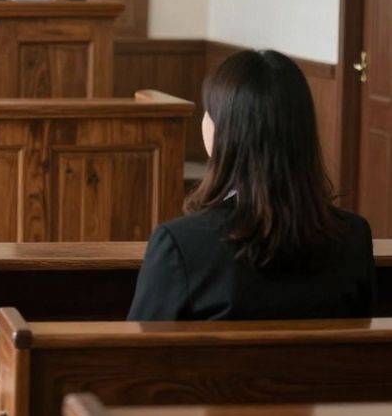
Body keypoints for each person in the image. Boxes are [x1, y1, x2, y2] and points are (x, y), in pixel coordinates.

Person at [128, 49, 374, 321]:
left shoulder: (180, 245)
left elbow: (139, 346)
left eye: (209, 111)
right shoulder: (355, 238)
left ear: (225, 132)